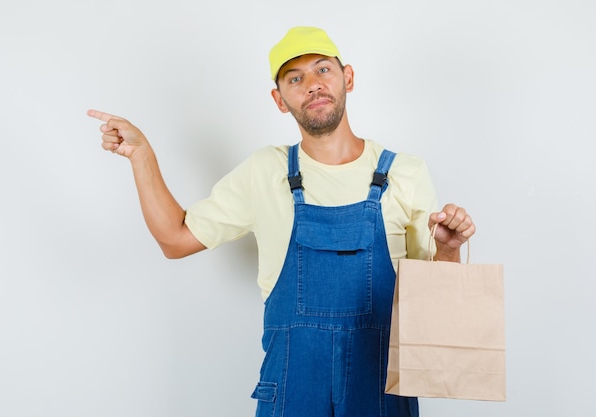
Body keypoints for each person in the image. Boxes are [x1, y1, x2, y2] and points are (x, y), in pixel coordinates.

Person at [88, 26, 475, 417]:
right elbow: (175, 239)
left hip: (380, 393)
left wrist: (447, 249)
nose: (312, 84)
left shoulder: (406, 172)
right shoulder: (264, 171)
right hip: (292, 392)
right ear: (279, 99)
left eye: (323, 70)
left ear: (349, 77)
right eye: (295, 78)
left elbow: (434, 311)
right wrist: (142, 157)